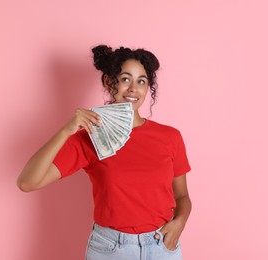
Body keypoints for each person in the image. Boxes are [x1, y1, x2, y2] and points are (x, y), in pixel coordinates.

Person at [17, 45, 192, 260]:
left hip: (162, 246)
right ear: (109, 82)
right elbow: (27, 182)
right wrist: (67, 130)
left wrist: (180, 223)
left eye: (141, 81)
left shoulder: (170, 137)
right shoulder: (90, 137)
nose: (133, 89)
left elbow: (182, 196)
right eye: (126, 79)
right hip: (111, 249)